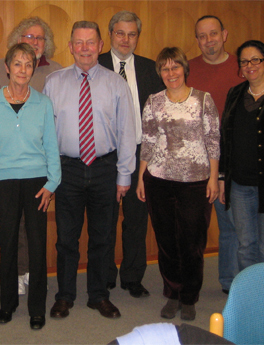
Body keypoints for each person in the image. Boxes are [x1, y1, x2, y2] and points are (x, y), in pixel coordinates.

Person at [43, 21, 136, 319]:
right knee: (66, 239)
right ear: (70, 47)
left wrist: (124, 176)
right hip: (66, 170)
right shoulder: (54, 83)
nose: (85, 48)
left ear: (100, 46)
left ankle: (98, 295)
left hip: (105, 169)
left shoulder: (116, 83)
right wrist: (50, 175)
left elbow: (126, 132)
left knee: (102, 237)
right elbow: (45, 133)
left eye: (90, 42)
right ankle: (65, 296)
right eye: (79, 43)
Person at [0, 43, 61, 330]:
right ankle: (7, 303)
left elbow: (51, 146)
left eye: (28, 64)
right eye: (18, 64)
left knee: (37, 244)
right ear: (8, 68)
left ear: (33, 69)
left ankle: (37, 307)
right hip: (2, 182)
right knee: (7, 243)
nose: (23, 70)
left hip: (37, 182)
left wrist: (52, 182)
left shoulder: (43, 103)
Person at [137, 47, 220, 321]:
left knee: (192, 243)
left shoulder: (203, 100)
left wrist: (214, 178)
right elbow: (148, 141)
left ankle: (189, 297)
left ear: (185, 69)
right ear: (159, 72)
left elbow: (213, 142)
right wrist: (141, 177)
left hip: (195, 182)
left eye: (175, 67)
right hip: (158, 180)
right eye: (165, 68)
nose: (170, 73)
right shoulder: (153, 101)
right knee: (166, 241)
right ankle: (172, 293)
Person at [0, 16, 63, 295]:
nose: (34, 43)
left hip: (38, 164)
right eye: (28, 37)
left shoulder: (56, 71)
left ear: (46, 43)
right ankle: (18, 272)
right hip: (6, 165)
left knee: (35, 228)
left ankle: (30, 271)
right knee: (11, 228)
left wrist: (53, 174)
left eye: (39, 38)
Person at [98, 10, 164, 297]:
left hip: (141, 155)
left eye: (132, 34)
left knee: (137, 219)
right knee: (106, 218)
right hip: (105, 154)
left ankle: (133, 276)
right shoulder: (94, 65)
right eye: (120, 33)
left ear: (138, 36)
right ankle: (105, 274)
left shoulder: (152, 69)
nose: (126, 39)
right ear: (110, 34)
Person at [219, 40, 264, 272]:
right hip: (240, 186)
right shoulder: (235, 93)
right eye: (244, 61)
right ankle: (251, 301)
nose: (250, 65)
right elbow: (225, 138)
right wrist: (222, 178)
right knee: (246, 245)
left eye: (256, 60)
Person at [188, 15, 244, 295]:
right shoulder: (188, 69)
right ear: (196, 39)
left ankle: (229, 283)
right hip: (195, 163)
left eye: (213, 34)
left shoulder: (243, 67)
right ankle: (187, 286)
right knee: (193, 230)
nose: (208, 41)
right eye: (202, 36)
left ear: (224, 34)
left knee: (231, 227)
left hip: (232, 162)